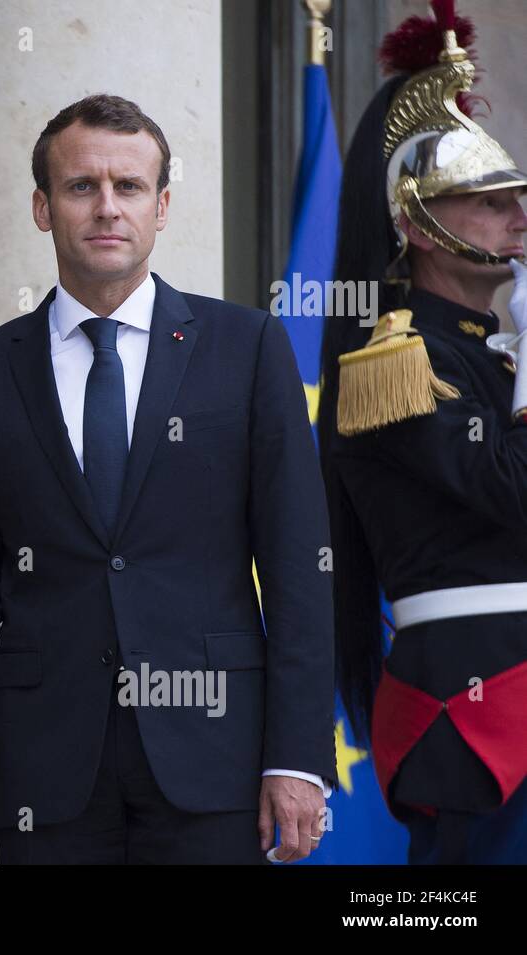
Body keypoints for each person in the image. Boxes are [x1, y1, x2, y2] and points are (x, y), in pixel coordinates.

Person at [0, 93, 335, 864]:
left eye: (130, 187)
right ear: (43, 208)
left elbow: (298, 566)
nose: (107, 207)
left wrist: (296, 756)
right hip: (46, 761)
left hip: (216, 753)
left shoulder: (247, 347)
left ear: (163, 206)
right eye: (82, 187)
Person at [319, 0, 527, 864]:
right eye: (488, 201)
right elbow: (510, 495)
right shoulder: (393, 363)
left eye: (518, 196)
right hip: (476, 709)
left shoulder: (500, 354)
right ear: (416, 223)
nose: (518, 215)